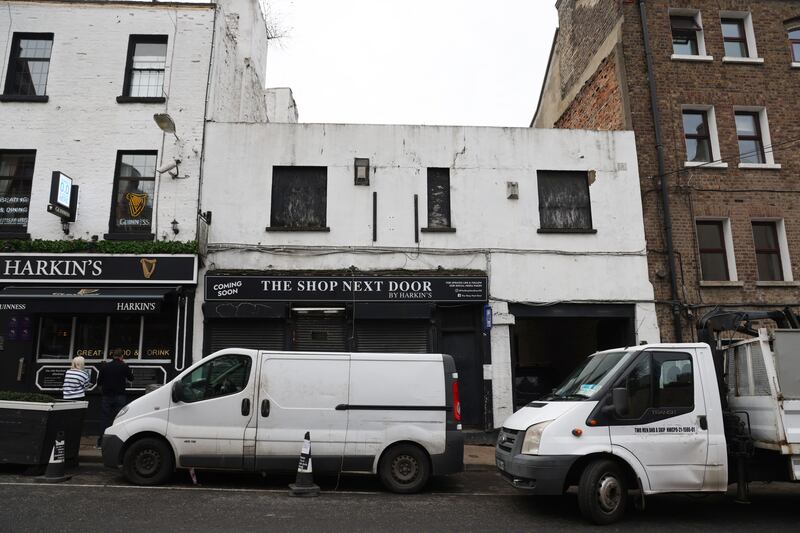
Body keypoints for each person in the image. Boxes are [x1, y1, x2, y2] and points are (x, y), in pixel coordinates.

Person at [97, 348, 134, 447]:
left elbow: (99, 382)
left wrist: (103, 391)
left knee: (105, 418)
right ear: (122, 356)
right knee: (119, 418)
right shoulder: (124, 366)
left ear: (113, 356)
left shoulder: (105, 366)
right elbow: (131, 378)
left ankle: (101, 442)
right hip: (120, 395)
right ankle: (118, 442)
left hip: (107, 396)